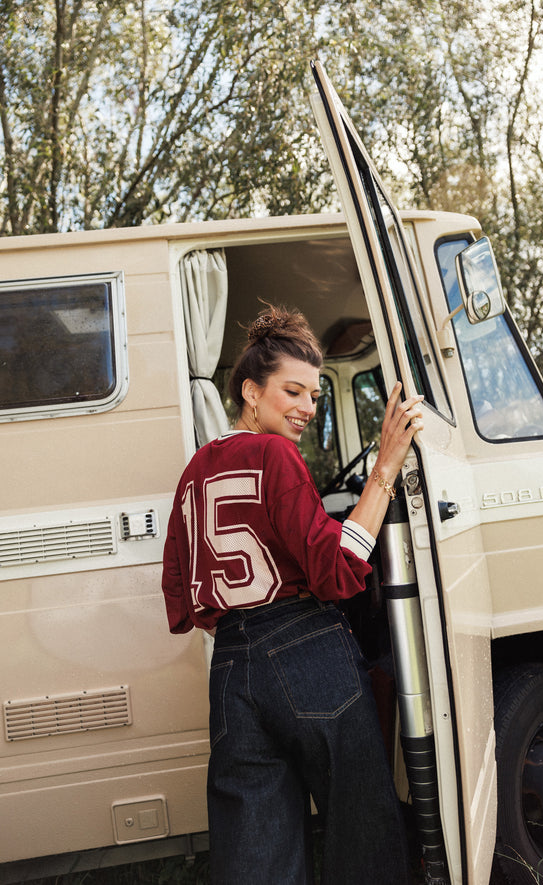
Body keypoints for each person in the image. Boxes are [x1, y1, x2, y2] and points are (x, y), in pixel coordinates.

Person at [161, 305, 424, 885]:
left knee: (256, 857)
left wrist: (246, 632)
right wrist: (383, 469)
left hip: (231, 670)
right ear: (251, 392)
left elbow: (182, 597)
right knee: (362, 836)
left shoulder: (194, 471)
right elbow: (336, 569)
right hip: (307, 653)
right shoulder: (275, 455)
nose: (308, 407)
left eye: (313, 395)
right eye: (293, 391)